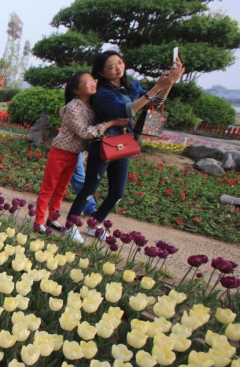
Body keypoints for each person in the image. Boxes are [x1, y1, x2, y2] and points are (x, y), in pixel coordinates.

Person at [66, 50, 184, 238]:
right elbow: (126, 110)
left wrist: (168, 84)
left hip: (123, 144)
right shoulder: (102, 93)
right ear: (102, 72)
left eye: (120, 63)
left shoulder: (132, 88)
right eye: (112, 66)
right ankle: (70, 226)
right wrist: (156, 87)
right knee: (90, 189)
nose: (118, 68)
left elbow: (154, 103)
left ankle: (94, 224)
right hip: (103, 144)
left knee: (117, 193)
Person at [33, 71, 129, 241]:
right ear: (77, 90)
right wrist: (112, 123)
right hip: (60, 152)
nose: (93, 85)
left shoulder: (95, 105)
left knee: (61, 189)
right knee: (49, 188)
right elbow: (84, 132)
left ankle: (52, 219)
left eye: (94, 81)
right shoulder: (73, 107)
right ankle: (39, 221)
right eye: (88, 83)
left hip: (74, 155)